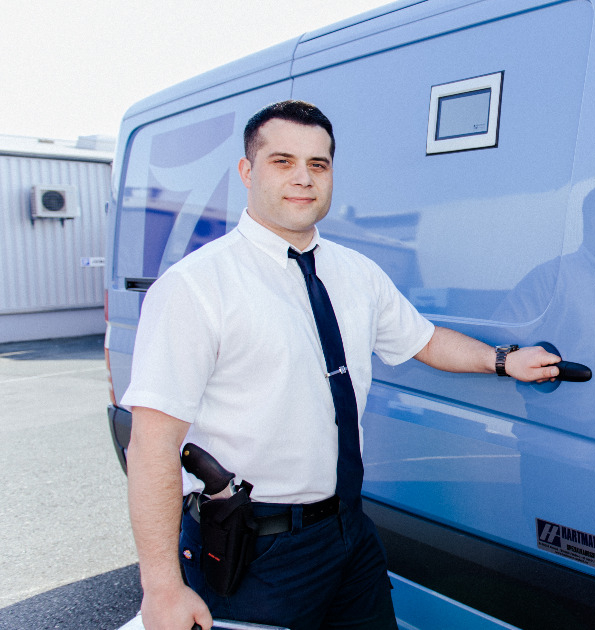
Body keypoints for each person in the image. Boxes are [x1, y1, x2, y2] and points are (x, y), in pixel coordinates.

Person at [123, 100, 561, 630]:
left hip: (348, 531)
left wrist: (503, 360)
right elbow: (151, 446)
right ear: (247, 171)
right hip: (255, 549)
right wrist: (163, 587)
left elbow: (424, 340)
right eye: (283, 161)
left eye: (319, 164)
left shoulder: (357, 273)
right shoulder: (195, 288)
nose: (303, 178)